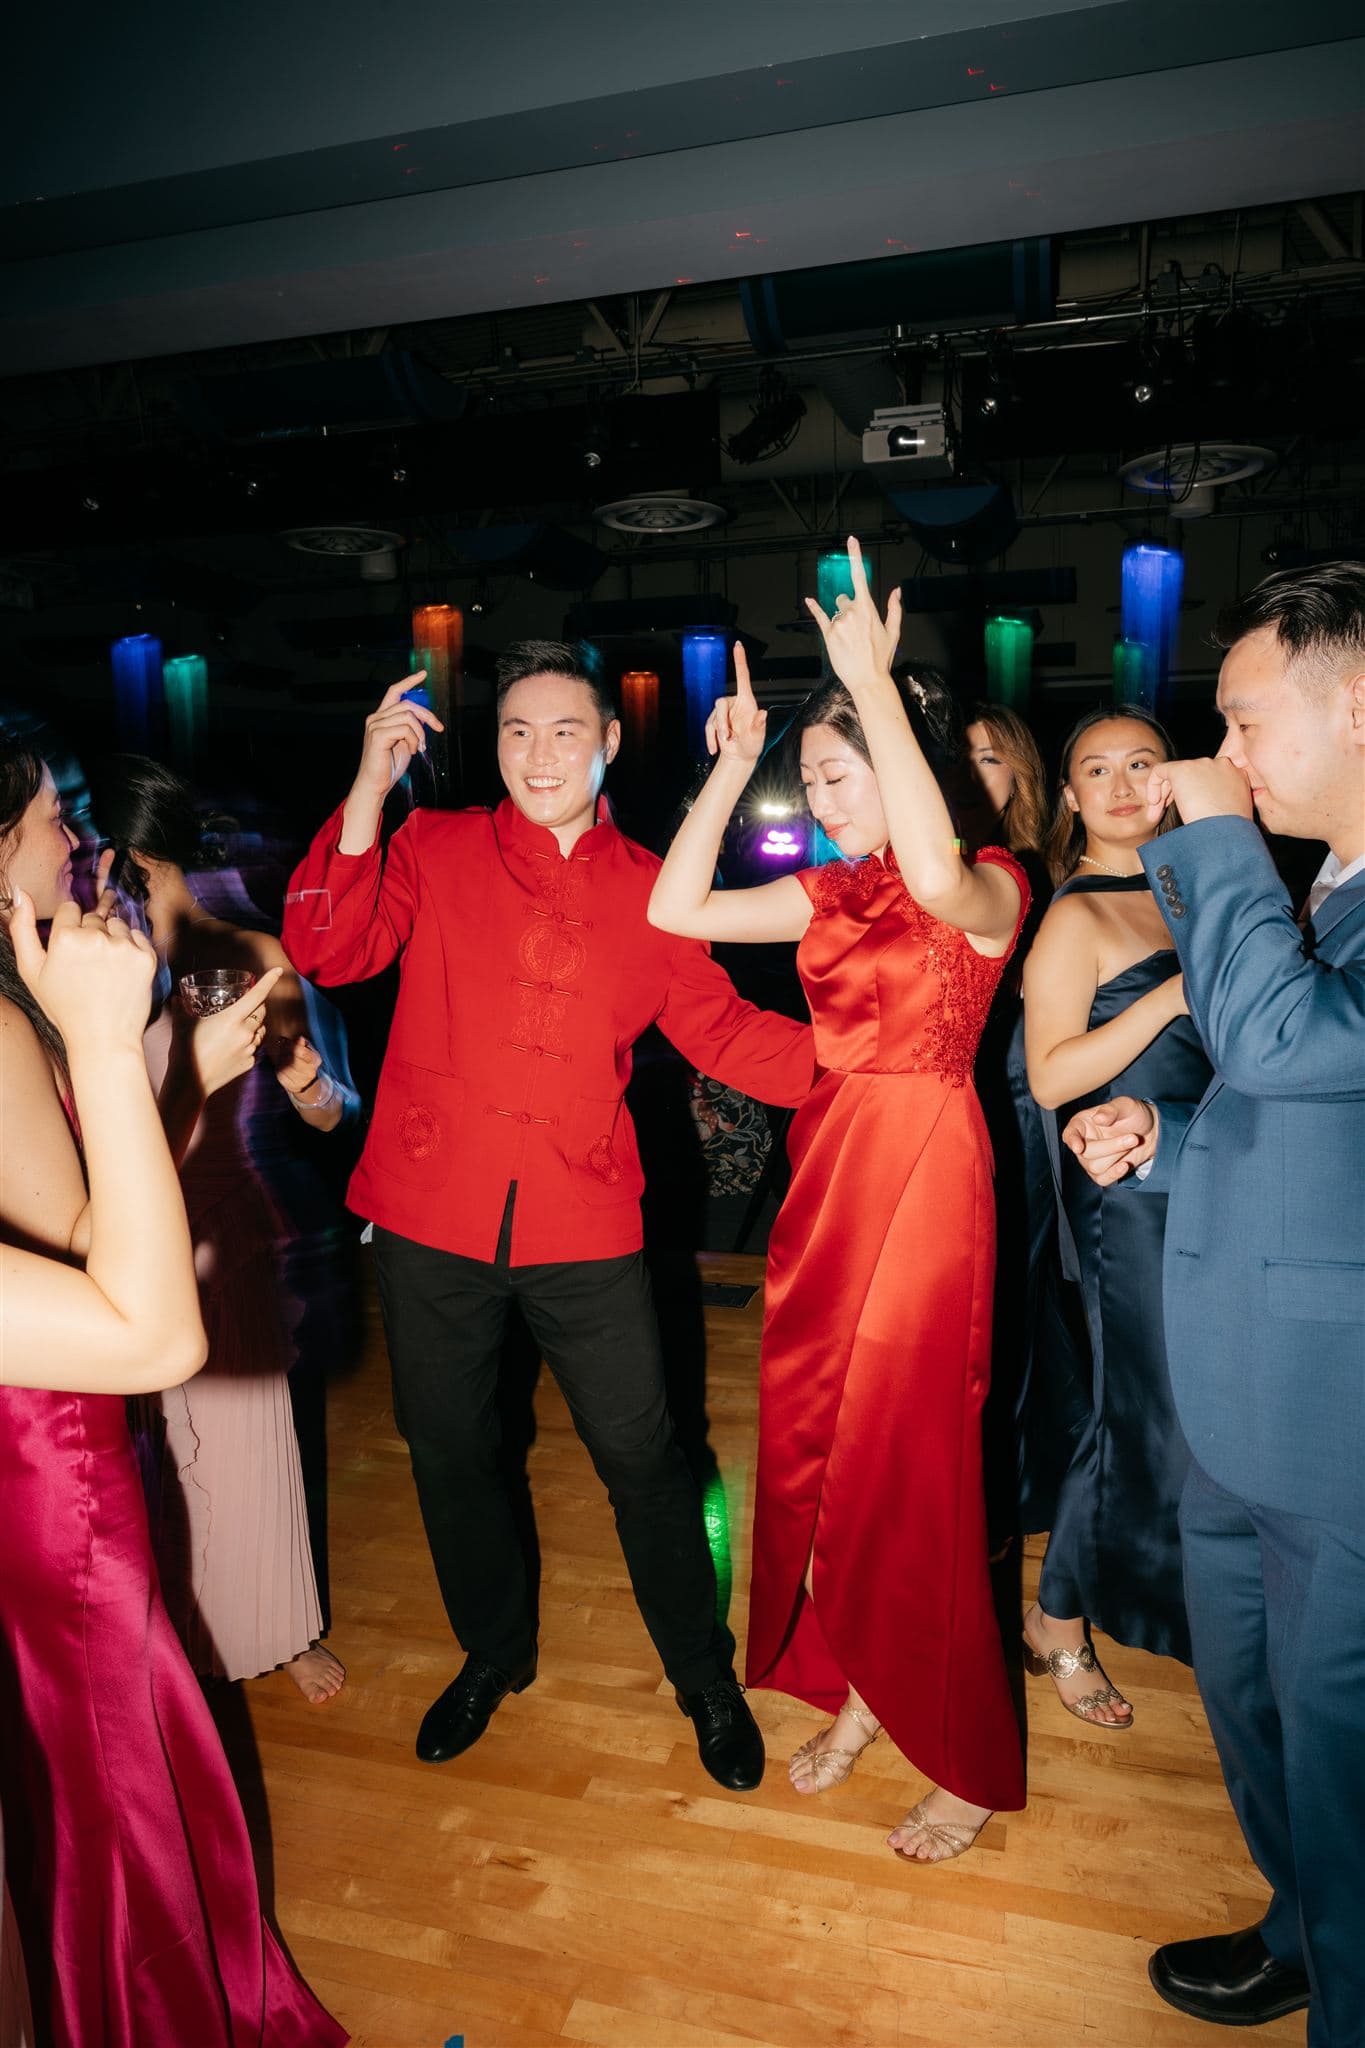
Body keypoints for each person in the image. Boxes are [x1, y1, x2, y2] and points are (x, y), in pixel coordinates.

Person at [282, 644, 816, 1788]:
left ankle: (702, 1675)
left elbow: (721, 1030)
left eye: (565, 728)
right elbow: (330, 945)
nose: (538, 752)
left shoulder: (653, 884)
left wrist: (871, 1063)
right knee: (451, 1451)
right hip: (430, 1209)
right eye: (517, 730)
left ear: (610, 741)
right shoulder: (433, 844)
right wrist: (369, 787)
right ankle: (492, 1651)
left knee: (645, 1455)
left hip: (584, 1215)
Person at [648, 539, 1028, 1863]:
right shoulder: (822, 892)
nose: (819, 788)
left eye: (840, 761)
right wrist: (721, 768)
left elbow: (935, 880)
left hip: (926, 1180)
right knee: (825, 1460)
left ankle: (968, 1759)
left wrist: (870, 687)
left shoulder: (990, 888)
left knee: (917, 1472)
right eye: (807, 774)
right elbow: (674, 901)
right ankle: (865, 1689)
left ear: (898, 752)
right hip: (828, 1181)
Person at [0, 742, 345, 2047]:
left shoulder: (121, 974)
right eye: (49, 819)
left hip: (112, 1362)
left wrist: (223, 1067)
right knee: (105, 1753)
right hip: (53, 1437)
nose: (70, 843)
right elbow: (112, 1270)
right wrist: (132, 1049)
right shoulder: (25, 1011)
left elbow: (107, 1221)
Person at [1063, 563, 1365, 2042]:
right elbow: (1310, 1118)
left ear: (1356, 702)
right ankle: (1301, 1930)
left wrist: (1223, 836)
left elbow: (1287, 1042)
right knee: (1265, 1734)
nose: (1220, 756)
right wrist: (1162, 1141)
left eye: (1243, 720)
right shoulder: (1330, 891)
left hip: (1339, 1439)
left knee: (1344, 1759)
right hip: (1244, 1409)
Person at [90, 755, 348, 1706]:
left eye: (100, 859)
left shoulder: (243, 958)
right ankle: (163, 1632)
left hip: (222, 1233)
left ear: (135, 859)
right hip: (113, 1229)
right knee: (140, 1454)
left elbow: (328, 1112)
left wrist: (303, 1081)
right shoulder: (83, 962)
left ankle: (274, 1632)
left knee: (239, 1449)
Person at [1019, 709, 1211, 1718]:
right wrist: (1170, 996)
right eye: (1098, 768)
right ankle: (1058, 1613)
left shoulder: (1190, 886)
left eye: (1143, 761)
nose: (1124, 782)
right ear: (1070, 797)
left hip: (1202, 1163)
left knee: (1186, 1408)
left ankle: (1177, 1598)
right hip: (1125, 1196)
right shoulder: (1076, 915)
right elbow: (1051, 1078)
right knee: (1131, 1406)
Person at [962, 702, 1089, 1545]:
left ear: (1021, 772)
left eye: (991, 757)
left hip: (1018, 1100)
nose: (976, 773)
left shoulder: (1046, 872)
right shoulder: (935, 862)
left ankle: (1000, 1495)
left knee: (1009, 1293)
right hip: (945, 1097)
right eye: (963, 758)